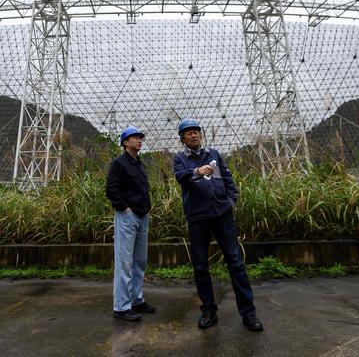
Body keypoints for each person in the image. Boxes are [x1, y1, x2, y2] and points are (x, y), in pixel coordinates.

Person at [173, 118, 263, 331]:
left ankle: (248, 313)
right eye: (188, 133)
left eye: (196, 131)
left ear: (200, 134)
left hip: (222, 216)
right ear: (182, 139)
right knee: (201, 266)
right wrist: (197, 172)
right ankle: (209, 310)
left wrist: (230, 200)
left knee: (236, 263)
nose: (193, 135)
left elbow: (229, 180)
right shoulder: (180, 159)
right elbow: (180, 177)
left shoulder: (214, 154)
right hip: (197, 218)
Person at [105, 125, 156, 321]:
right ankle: (121, 307)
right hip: (128, 216)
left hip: (143, 216)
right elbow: (111, 189)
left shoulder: (139, 164)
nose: (139, 140)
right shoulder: (119, 163)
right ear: (125, 142)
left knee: (139, 260)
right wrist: (124, 209)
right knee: (124, 262)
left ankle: (136, 299)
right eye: (135, 137)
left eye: (140, 138)